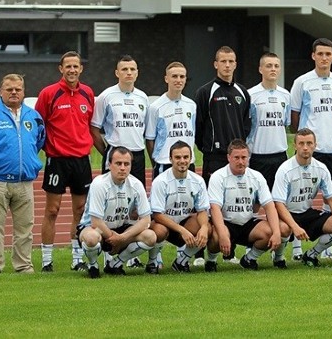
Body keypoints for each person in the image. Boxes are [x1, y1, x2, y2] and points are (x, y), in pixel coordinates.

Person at [0, 74, 45, 275]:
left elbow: (38, 142)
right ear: (0, 91)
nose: (14, 92)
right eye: (9, 89)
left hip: (24, 182)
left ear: (23, 92)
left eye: (18, 89)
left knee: (25, 229)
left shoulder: (34, 116)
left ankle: (23, 265)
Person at [35, 51, 95, 272]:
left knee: (80, 209)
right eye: (67, 66)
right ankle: (47, 260)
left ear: (81, 69)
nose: (72, 70)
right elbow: (38, 126)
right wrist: (47, 150)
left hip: (81, 160)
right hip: (57, 160)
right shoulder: (49, 93)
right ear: (61, 69)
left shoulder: (88, 93)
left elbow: (89, 125)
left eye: (75, 66)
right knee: (52, 209)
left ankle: (77, 258)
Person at [290, 38, 332, 260]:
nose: (324, 58)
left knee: (329, 197)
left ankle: (327, 248)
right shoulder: (302, 82)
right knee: (298, 198)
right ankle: (295, 248)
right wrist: (305, 141)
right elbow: (294, 118)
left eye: (328, 54)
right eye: (320, 53)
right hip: (310, 150)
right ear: (313, 56)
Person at [194, 45, 251, 265]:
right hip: (215, 157)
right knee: (209, 205)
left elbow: (246, 126)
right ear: (215, 64)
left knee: (231, 203)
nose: (227, 65)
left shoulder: (242, 93)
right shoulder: (205, 92)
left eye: (231, 61)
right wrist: (209, 148)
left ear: (235, 64)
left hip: (237, 159)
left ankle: (229, 252)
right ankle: (200, 253)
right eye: (223, 61)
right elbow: (198, 129)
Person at [205, 139, 291, 271]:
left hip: (248, 223)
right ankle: (211, 261)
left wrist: (276, 232)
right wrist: (222, 234)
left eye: (244, 157)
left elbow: (269, 206)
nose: (240, 161)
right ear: (229, 158)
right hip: (227, 222)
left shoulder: (257, 177)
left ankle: (249, 259)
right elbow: (215, 208)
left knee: (274, 230)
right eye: (236, 158)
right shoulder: (218, 177)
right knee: (216, 236)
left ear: (248, 157)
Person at [272, 128, 332, 267]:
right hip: (287, 213)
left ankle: (311, 254)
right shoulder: (285, 170)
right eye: (301, 143)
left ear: (315, 145)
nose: (305, 148)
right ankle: (278, 258)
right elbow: (279, 204)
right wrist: (295, 227)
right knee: (284, 229)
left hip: (306, 212)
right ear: (294, 145)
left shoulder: (321, 168)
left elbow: (331, 199)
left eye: (309, 143)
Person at [76, 146, 156, 278]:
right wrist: (114, 239)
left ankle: (115, 264)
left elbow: (146, 220)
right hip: (96, 229)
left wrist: (123, 238)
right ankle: (93, 265)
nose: (123, 168)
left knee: (150, 237)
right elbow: (96, 222)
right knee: (91, 238)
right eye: (118, 163)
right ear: (109, 164)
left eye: (126, 164)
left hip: (121, 229)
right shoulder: (99, 183)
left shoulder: (136, 184)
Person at [146, 141, 211, 274]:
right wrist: (182, 230)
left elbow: (202, 210)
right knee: (158, 231)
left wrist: (204, 227)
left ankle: (181, 261)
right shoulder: (160, 181)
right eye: (177, 157)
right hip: (164, 223)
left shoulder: (198, 181)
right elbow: (157, 214)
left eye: (186, 157)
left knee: (207, 228)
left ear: (191, 158)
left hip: (184, 222)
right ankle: (152, 262)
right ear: (170, 159)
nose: (182, 161)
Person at [92, 54, 149, 187]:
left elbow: (145, 129)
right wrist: (108, 151)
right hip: (115, 153)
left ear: (137, 73)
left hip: (138, 155)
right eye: (124, 69)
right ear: (117, 73)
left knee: (137, 199)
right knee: (112, 196)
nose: (129, 73)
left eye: (132, 69)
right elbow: (93, 128)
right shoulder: (106, 96)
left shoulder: (143, 97)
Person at [145, 61, 197, 179]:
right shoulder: (156, 107)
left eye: (182, 76)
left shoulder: (192, 105)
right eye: (174, 76)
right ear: (166, 79)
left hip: (188, 163)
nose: (178, 80)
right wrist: (157, 161)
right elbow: (150, 139)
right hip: (164, 164)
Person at [247, 52, 290, 190]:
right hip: (258, 156)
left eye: (276, 66)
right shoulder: (250, 95)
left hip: (280, 155)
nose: (273, 69)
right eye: (269, 66)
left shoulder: (286, 95)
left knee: (279, 199)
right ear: (260, 69)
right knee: (257, 200)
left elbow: (286, 123)